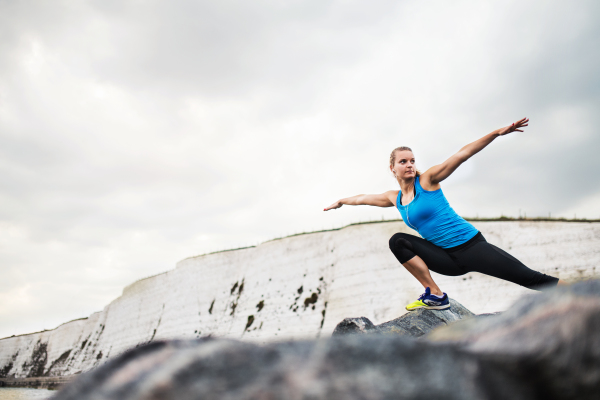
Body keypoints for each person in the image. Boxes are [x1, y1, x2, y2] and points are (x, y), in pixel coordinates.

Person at [324, 118, 562, 311]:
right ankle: (435, 294)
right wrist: (342, 202)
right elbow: (363, 199)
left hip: (473, 248)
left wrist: (496, 134)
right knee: (398, 241)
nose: (410, 165)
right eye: (403, 161)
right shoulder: (393, 198)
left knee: (530, 278)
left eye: (412, 160)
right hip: (447, 259)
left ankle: (587, 294)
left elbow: (462, 154)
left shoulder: (427, 180)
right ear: (392, 168)